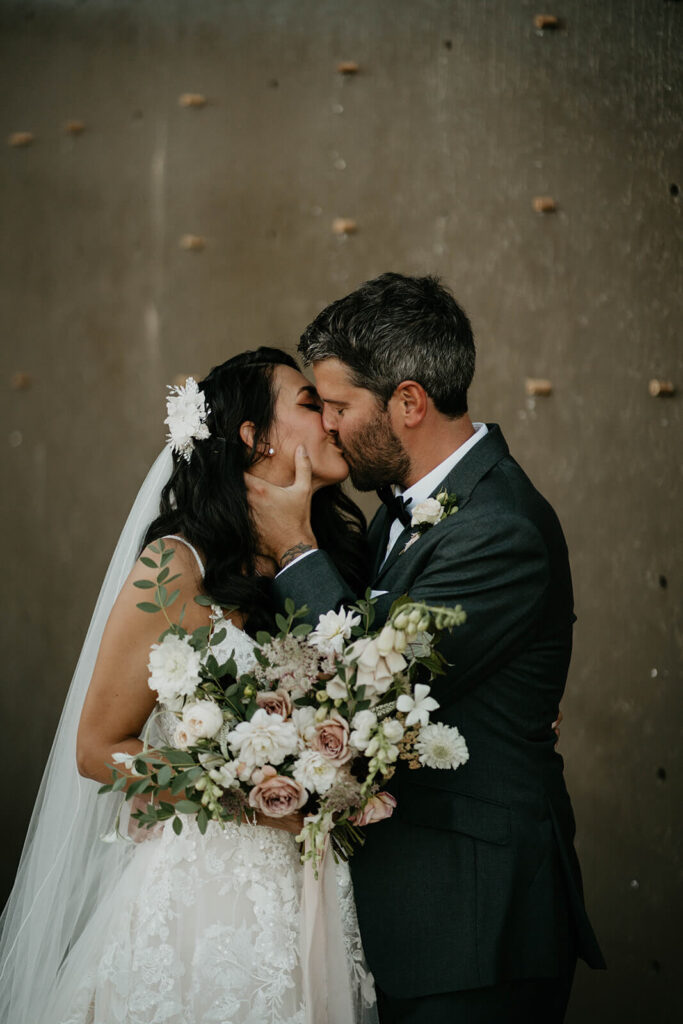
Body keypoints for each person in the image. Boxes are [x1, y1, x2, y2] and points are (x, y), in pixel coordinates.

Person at [246, 274, 606, 1024]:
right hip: (417, 914)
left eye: (340, 407)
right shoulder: (398, 511)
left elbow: (367, 688)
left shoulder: (497, 529)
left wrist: (291, 552)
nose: (330, 427)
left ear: (409, 403)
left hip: (474, 924)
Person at [0, 349, 378, 1024]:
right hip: (203, 902)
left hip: (310, 895)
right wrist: (245, 791)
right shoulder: (175, 567)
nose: (330, 420)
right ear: (253, 436)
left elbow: (369, 692)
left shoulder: (338, 560)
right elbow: (95, 747)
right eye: (307, 402)